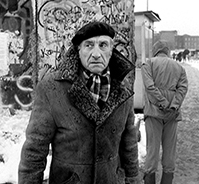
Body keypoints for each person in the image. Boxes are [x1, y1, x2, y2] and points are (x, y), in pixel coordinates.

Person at [18, 21, 139, 184]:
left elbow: (129, 143)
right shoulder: (52, 88)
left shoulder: (122, 90)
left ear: (111, 51)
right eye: (89, 45)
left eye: (103, 45)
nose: (96, 54)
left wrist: (133, 179)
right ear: (78, 50)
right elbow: (35, 149)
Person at [141, 40, 188, 184]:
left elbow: (149, 87)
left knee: (152, 152)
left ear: (155, 50)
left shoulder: (148, 64)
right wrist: (173, 105)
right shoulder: (178, 67)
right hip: (172, 115)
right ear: (167, 51)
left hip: (154, 113)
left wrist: (162, 102)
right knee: (169, 154)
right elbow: (183, 88)